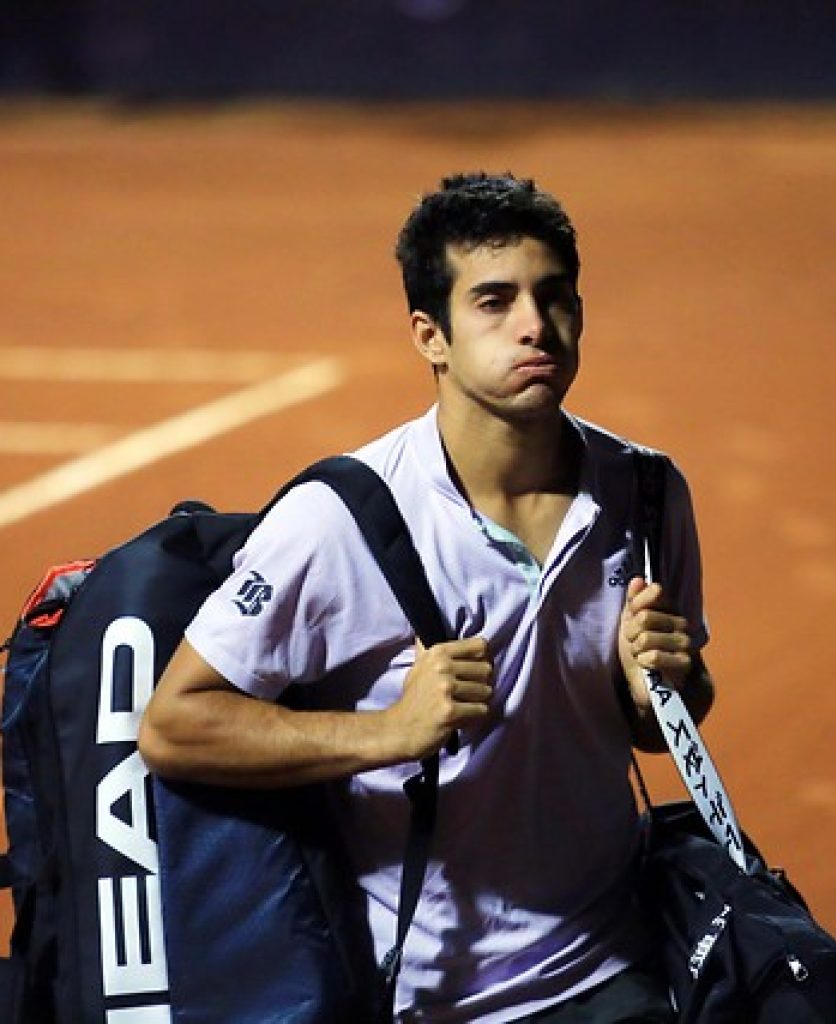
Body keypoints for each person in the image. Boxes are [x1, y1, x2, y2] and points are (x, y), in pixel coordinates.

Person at [139, 172, 715, 1023]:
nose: (534, 325)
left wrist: (659, 687)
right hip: (426, 993)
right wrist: (389, 733)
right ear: (430, 336)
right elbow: (174, 724)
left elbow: (665, 721)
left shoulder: (649, 492)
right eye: (493, 302)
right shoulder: (342, 521)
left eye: (554, 296)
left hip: (610, 962)